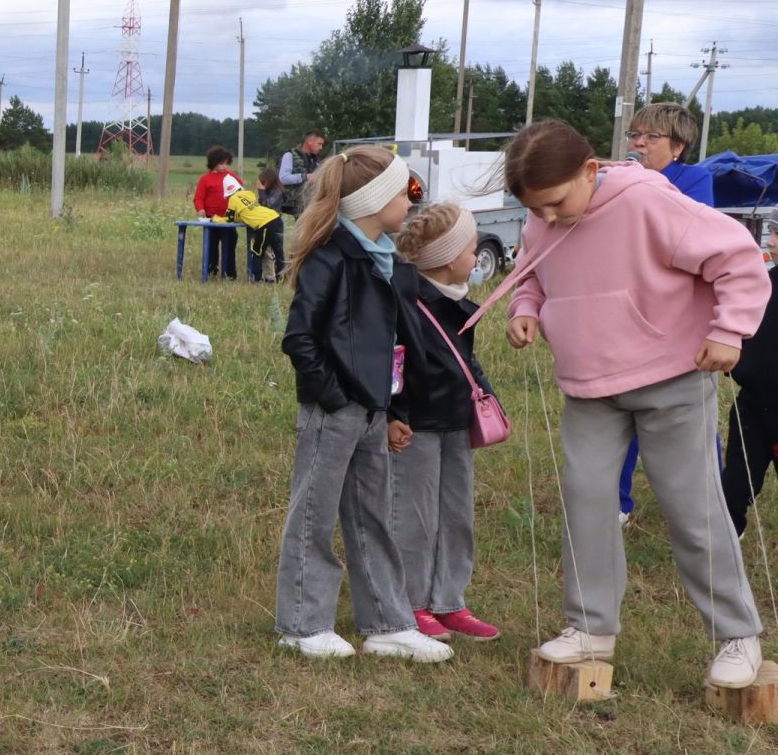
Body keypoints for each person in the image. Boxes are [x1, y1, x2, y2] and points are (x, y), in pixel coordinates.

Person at [503, 120, 768, 689]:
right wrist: (525, 307)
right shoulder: (540, 215)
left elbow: (738, 257)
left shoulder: (647, 199)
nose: (547, 218)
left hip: (671, 376)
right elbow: (532, 272)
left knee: (693, 507)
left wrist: (730, 330)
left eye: (554, 203)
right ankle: (591, 627)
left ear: (590, 171)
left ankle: (736, 634)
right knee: (587, 501)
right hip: (588, 387)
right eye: (535, 209)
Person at [275, 146, 453, 663]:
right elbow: (299, 338)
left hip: (375, 408)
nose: (413, 203)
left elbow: (398, 340)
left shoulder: (387, 262)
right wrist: (333, 394)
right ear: (375, 201)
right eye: (406, 192)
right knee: (313, 512)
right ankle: (303, 623)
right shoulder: (332, 258)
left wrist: (392, 406)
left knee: (373, 514)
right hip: (335, 409)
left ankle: (387, 622)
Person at [392, 204, 499, 642]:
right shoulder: (406, 299)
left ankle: (449, 600)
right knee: (414, 516)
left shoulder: (457, 302)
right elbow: (393, 361)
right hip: (417, 423)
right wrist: (393, 414)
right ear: (447, 256)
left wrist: (485, 392)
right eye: (472, 250)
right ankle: (412, 602)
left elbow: (465, 359)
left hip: (456, 419)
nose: (476, 259)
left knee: (456, 513)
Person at [617, 101, 715, 522]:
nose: (639, 144)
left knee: (691, 418)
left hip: (677, 318)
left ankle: (711, 502)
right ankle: (617, 503)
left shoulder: (694, 179)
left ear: (677, 146)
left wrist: (638, 184)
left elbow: (687, 234)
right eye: (634, 135)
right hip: (627, 312)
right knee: (622, 413)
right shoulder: (620, 177)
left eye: (650, 137)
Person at [722, 233, 778, 536]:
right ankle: (728, 531)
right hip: (753, 406)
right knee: (737, 480)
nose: (770, 242)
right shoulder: (761, 285)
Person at [192, 146, 242, 280]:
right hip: (211, 219)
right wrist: (200, 209)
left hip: (228, 219)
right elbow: (198, 198)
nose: (224, 166)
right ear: (213, 162)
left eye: (226, 163)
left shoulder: (231, 176)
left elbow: (241, 192)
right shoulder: (205, 179)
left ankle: (229, 274)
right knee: (211, 247)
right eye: (221, 163)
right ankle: (210, 271)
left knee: (230, 246)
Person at [251, 166, 288, 280]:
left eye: (263, 182)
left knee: (278, 251)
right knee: (266, 251)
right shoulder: (267, 192)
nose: (262, 184)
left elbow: (268, 205)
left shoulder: (278, 192)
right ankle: (268, 276)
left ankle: (280, 275)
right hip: (265, 223)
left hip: (274, 223)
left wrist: (261, 191)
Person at [278, 130, 326, 216]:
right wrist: (305, 177)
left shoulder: (316, 159)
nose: (321, 148)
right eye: (319, 144)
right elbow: (283, 178)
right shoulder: (290, 155)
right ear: (309, 141)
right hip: (295, 203)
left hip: (313, 202)